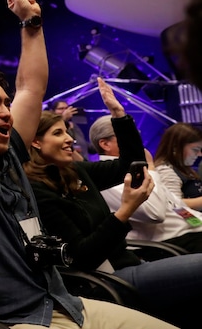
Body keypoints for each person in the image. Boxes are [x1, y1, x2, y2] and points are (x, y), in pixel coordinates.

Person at [0, 0, 173, 328]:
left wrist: (31, 22)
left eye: (6, 104)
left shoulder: (9, 155)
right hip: (10, 319)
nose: (7, 113)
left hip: (63, 301)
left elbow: (31, 89)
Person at [24, 83, 202, 329]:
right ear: (35, 142)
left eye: (67, 132)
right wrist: (125, 210)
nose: (70, 139)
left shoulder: (75, 170)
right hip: (106, 279)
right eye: (58, 133)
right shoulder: (39, 192)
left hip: (131, 262)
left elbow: (130, 163)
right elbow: (83, 256)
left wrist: (119, 115)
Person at [93, 116, 202, 252]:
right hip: (166, 244)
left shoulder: (135, 167)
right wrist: (151, 168)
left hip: (189, 232)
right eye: (129, 135)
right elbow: (156, 214)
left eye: (136, 135)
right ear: (105, 144)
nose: (137, 141)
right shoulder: (108, 176)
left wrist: (199, 222)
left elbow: (176, 205)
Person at [154, 123, 202, 209]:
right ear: (175, 147)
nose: (199, 154)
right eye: (195, 150)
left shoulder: (184, 168)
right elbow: (174, 207)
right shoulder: (166, 171)